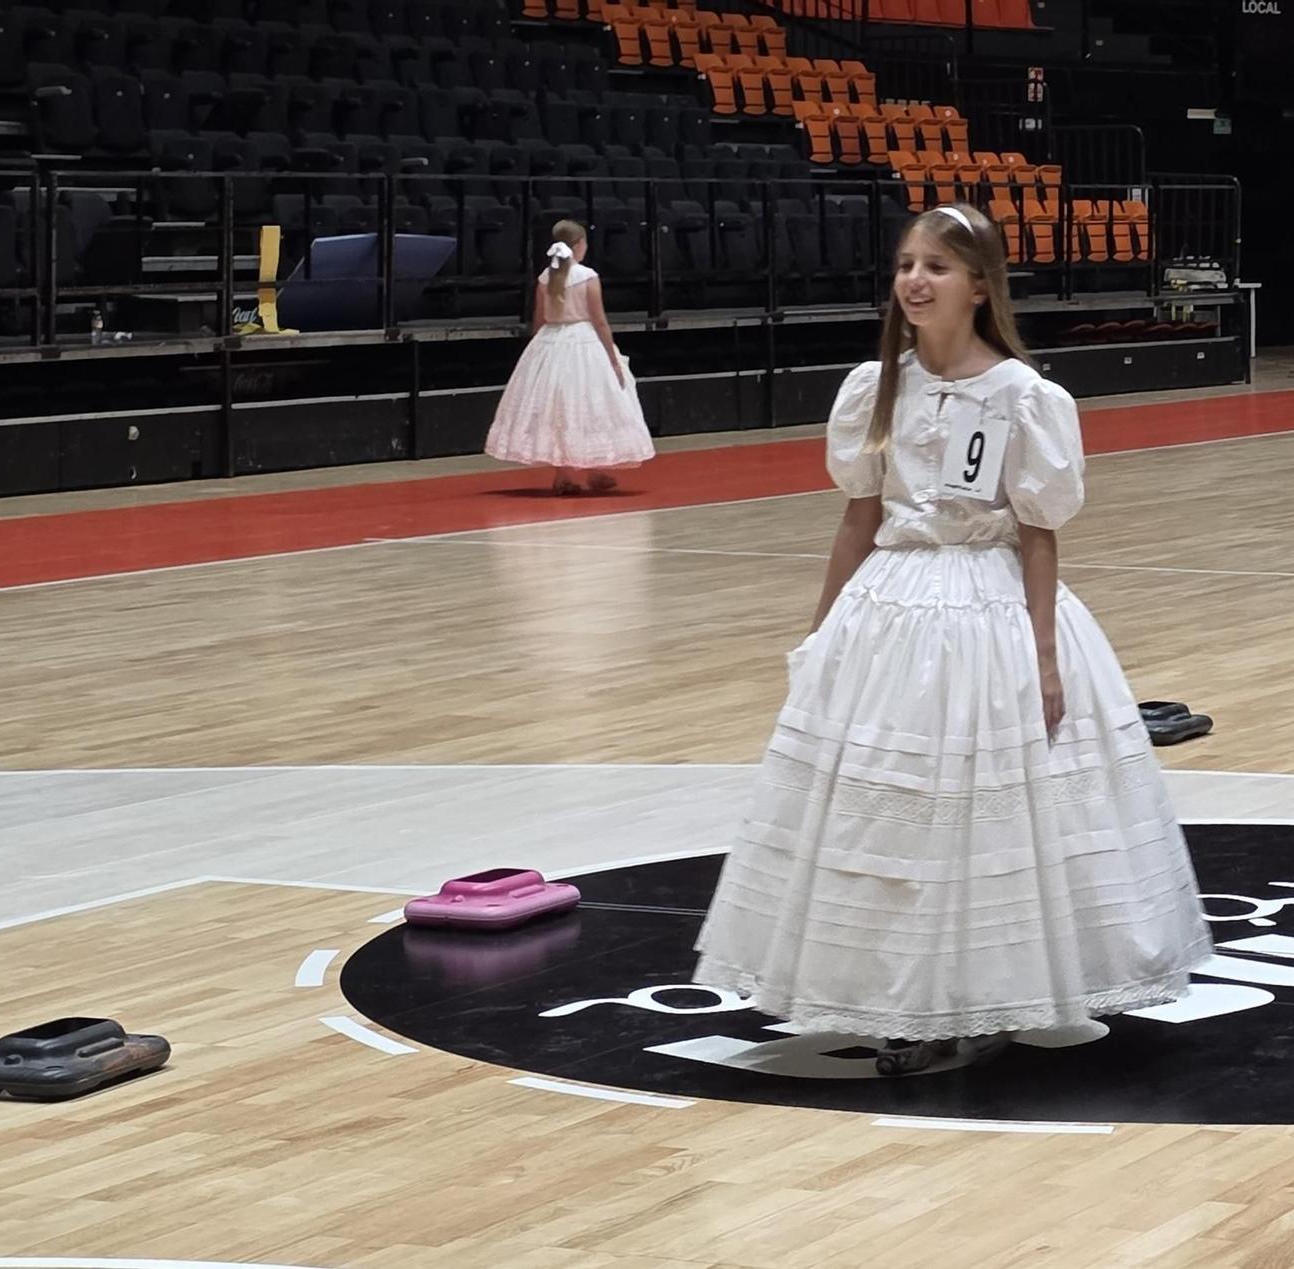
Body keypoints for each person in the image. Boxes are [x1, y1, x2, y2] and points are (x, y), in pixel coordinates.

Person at [692, 203, 1213, 1076]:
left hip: (989, 610)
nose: (914, 281)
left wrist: (1045, 654)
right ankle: (899, 996)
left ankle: (980, 994)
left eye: (936, 265)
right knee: (888, 814)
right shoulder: (879, 386)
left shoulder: (1023, 395)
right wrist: (821, 632)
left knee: (983, 812)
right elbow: (859, 514)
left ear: (980, 285)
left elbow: (1039, 529)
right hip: (891, 608)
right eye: (905, 264)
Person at [484, 220, 655, 494]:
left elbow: (539, 319)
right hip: (583, 341)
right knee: (590, 404)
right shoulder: (587, 276)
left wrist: (535, 354)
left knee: (559, 409)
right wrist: (612, 357)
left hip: (551, 341)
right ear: (578, 245)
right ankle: (593, 468)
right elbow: (599, 321)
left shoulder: (545, 277)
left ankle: (566, 474)